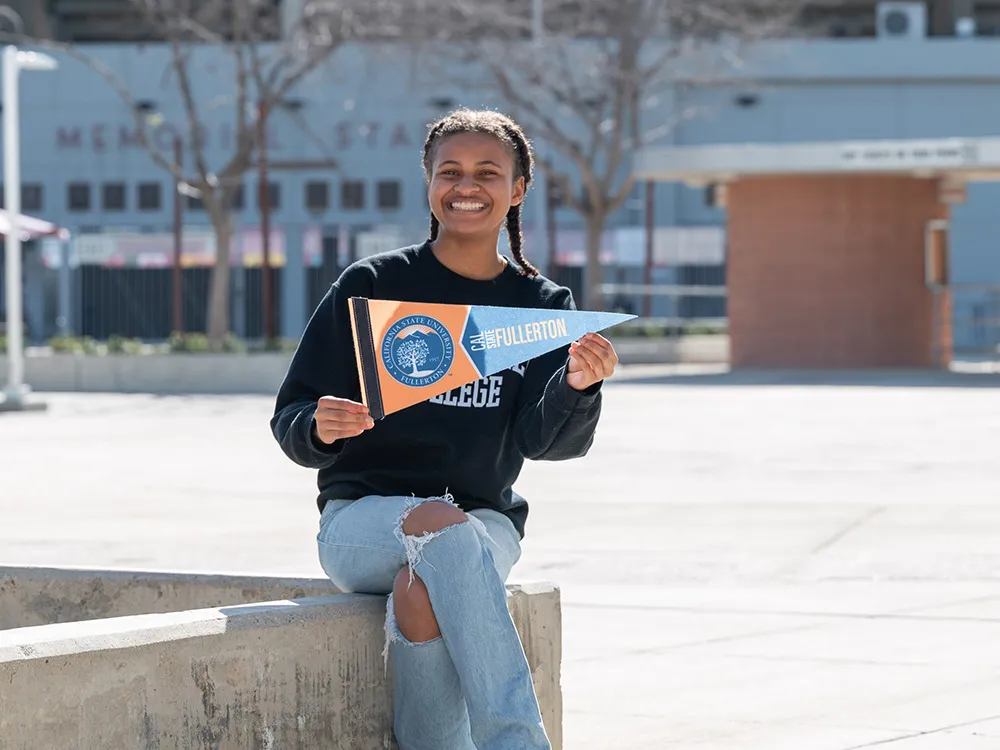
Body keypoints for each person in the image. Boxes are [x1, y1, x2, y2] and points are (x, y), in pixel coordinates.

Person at [270, 108, 619, 750]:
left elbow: (549, 443)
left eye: (489, 172)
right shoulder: (373, 285)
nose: (467, 185)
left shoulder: (543, 308)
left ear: (518, 189)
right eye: (449, 171)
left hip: (484, 524)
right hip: (361, 524)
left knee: (421, 597)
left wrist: (577, 386)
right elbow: (291, 420)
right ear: (429, 183)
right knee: (438, 527)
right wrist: (321, 426)